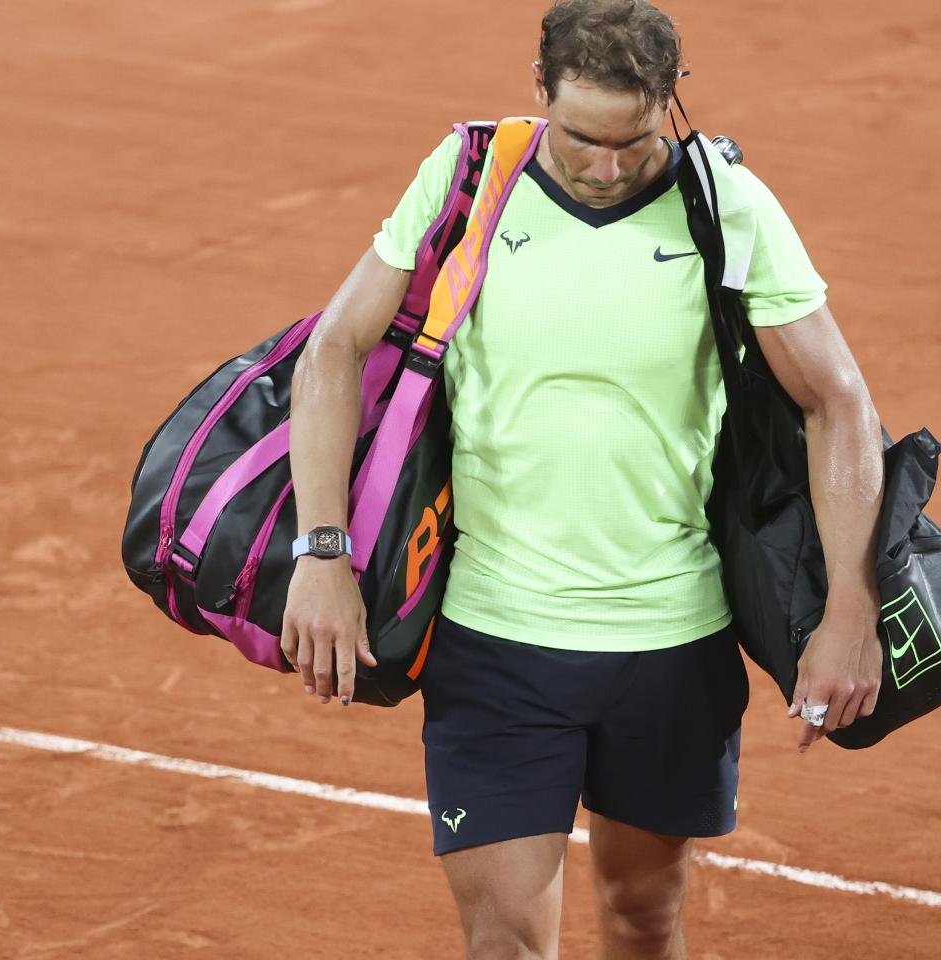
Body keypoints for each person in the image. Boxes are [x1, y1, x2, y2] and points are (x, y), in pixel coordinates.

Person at [280, 1, 885, 956]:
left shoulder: (725, 206)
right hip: (496, 642)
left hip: (672, 643)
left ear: (669, 104)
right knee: (505, 940)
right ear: (538, 89)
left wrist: (850, 604)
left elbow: (837, 401)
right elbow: (334, 349)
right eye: (580, 140)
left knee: (645, 921)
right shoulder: (472, 176)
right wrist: (323, 550)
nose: (606, 169)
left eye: (633, 143)